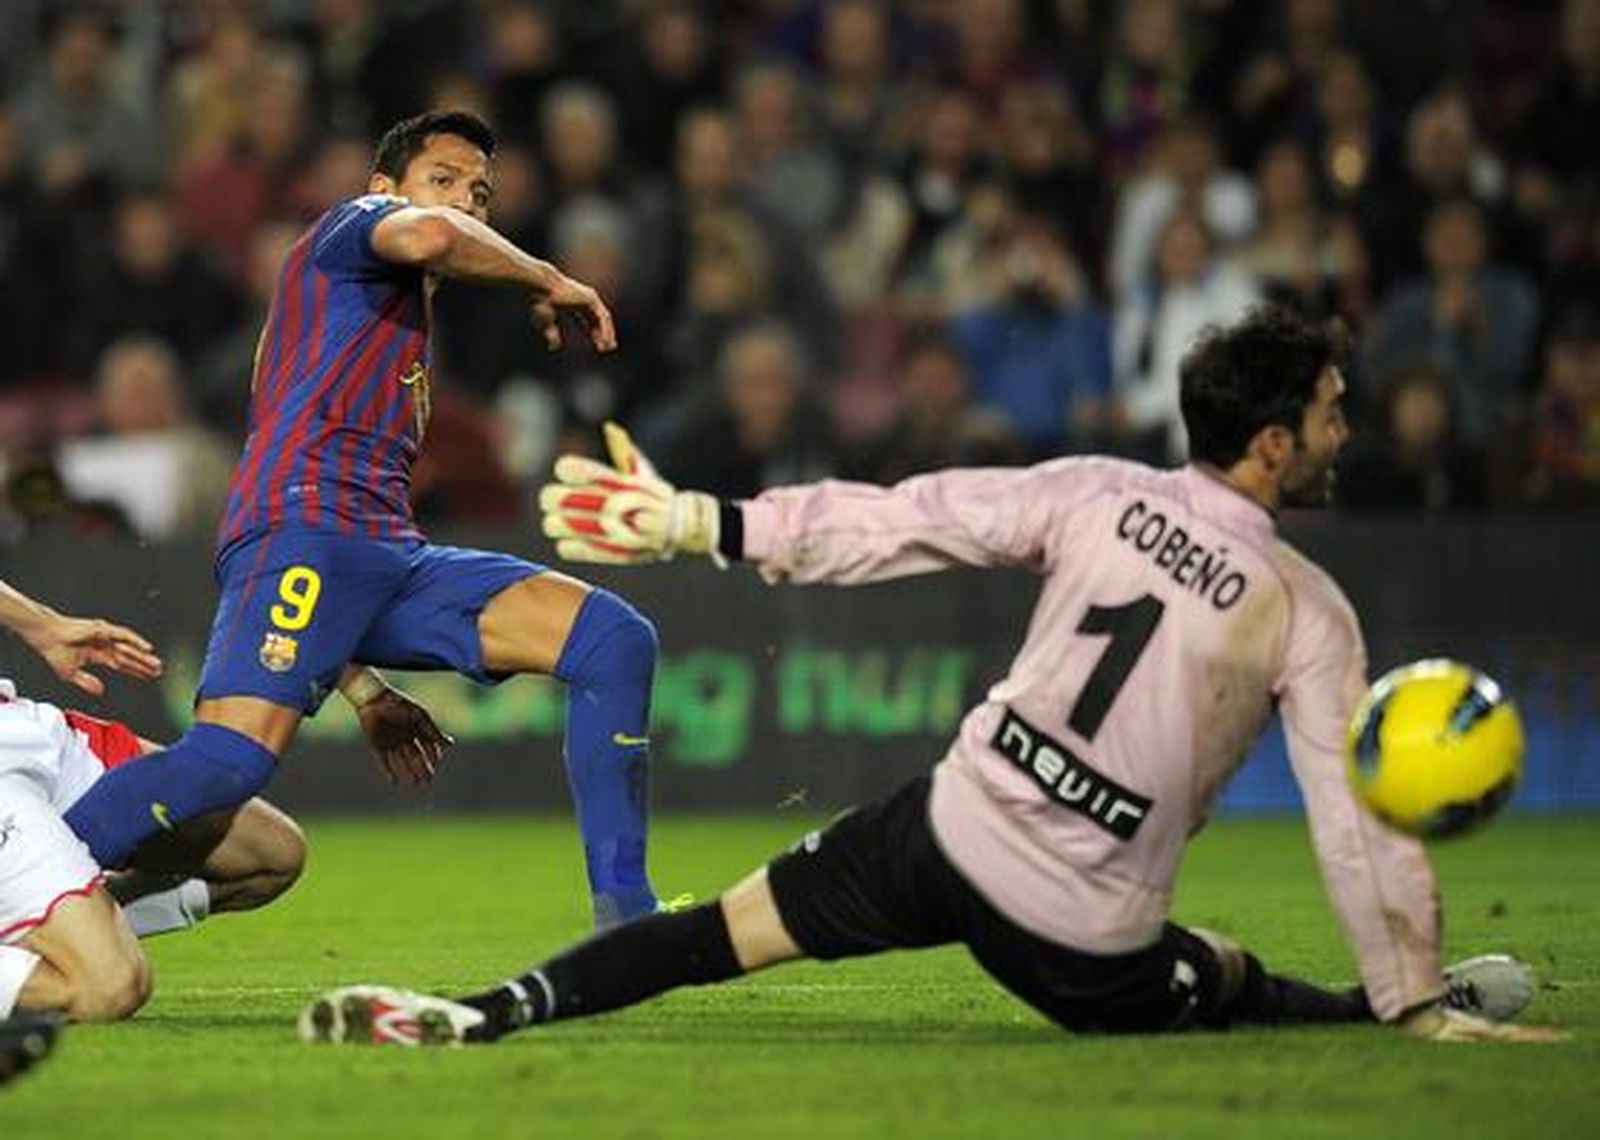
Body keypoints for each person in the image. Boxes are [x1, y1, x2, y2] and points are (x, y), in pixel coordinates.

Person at [306, 308, 1562, 1046]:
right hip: (1079, 938)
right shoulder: (1307, 610)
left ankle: (481, 1015)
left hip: (943, 833)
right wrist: (1406, 989)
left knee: (717, 933)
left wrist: (701, 523)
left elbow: (900, 518)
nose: (1345, 431)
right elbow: (1356, 829)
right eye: (1336, 412)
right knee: (1220, 970)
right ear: (1278, 443)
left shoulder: (1093, 493)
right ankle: (1391, 1010)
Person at [61, 109, 668, 930]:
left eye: (481, 193)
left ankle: (627, 920)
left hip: (385, 555)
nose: (465, 204)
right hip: (301, 530)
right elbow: (431, 238)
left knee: (613, 640)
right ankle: (28, 884)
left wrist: (363, 687)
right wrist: (545, 277)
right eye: (444, 181)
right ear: (387, 188)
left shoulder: (388, 326)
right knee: (227, 764)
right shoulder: (352, 228)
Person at [0, 576, 313, 1025]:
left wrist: (43, 627)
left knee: (270, 855)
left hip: (22, 728)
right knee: (107, 989)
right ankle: (72, 943)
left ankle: (51, 930)